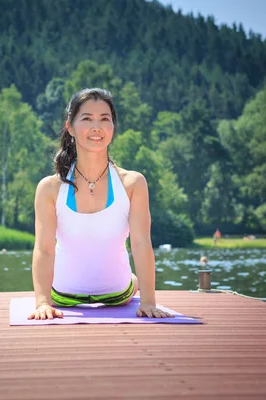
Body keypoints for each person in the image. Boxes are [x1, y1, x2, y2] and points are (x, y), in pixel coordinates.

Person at [28, 88, 173, 320]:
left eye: (105, 119)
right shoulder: (49, 188)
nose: (97, 127)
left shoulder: (133, 183)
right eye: (87, 118)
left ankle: (133, 283)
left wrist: (148, 302)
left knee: (131, 280)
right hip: (62, 296)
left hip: (119, 294)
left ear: (113, 127)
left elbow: (141, 244)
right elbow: (44, 250)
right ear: (70, 127)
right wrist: (42, 303)